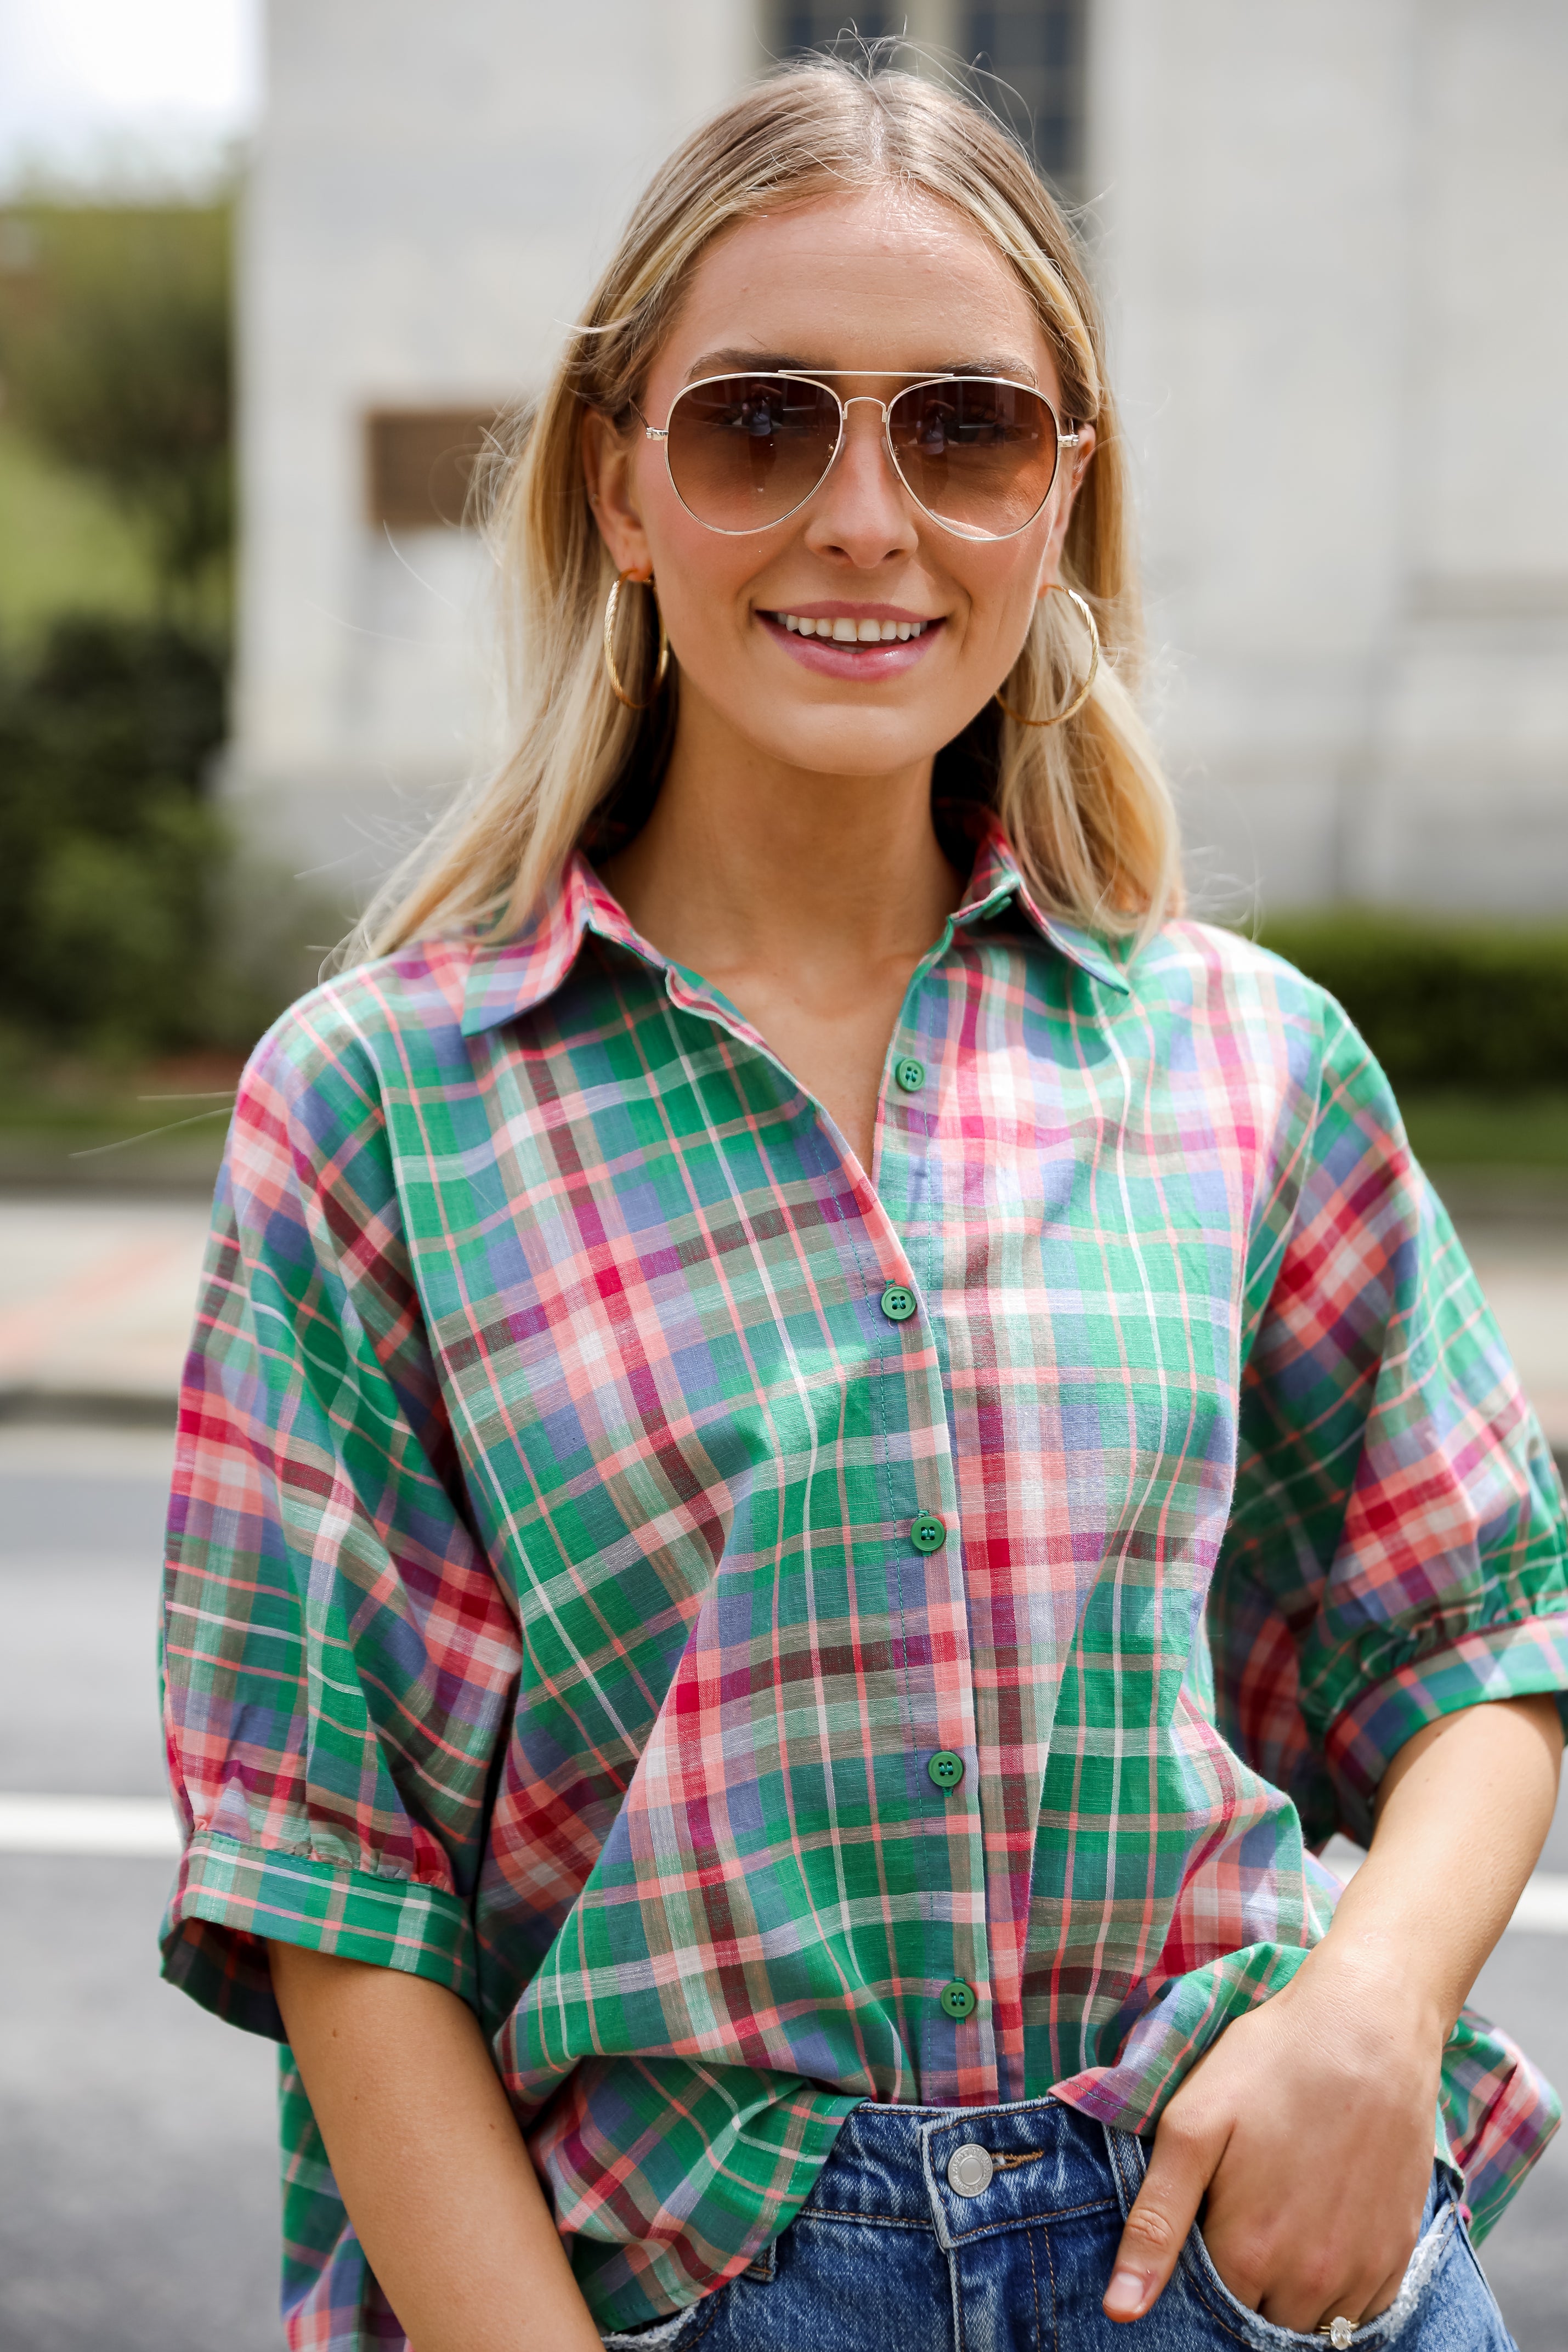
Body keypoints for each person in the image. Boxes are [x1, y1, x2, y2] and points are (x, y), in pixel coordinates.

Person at [159, 57, 1567, 2352]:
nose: (861, 516)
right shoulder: (381, 1107)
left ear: (1060, 501)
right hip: (695, 2285)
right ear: (621, 480)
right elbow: (340, 1882)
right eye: (756, 424)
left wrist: (1375, 2010)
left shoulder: (1245, 1060)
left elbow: (1482, 1628)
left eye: (964, 430)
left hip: (1230, 2257)